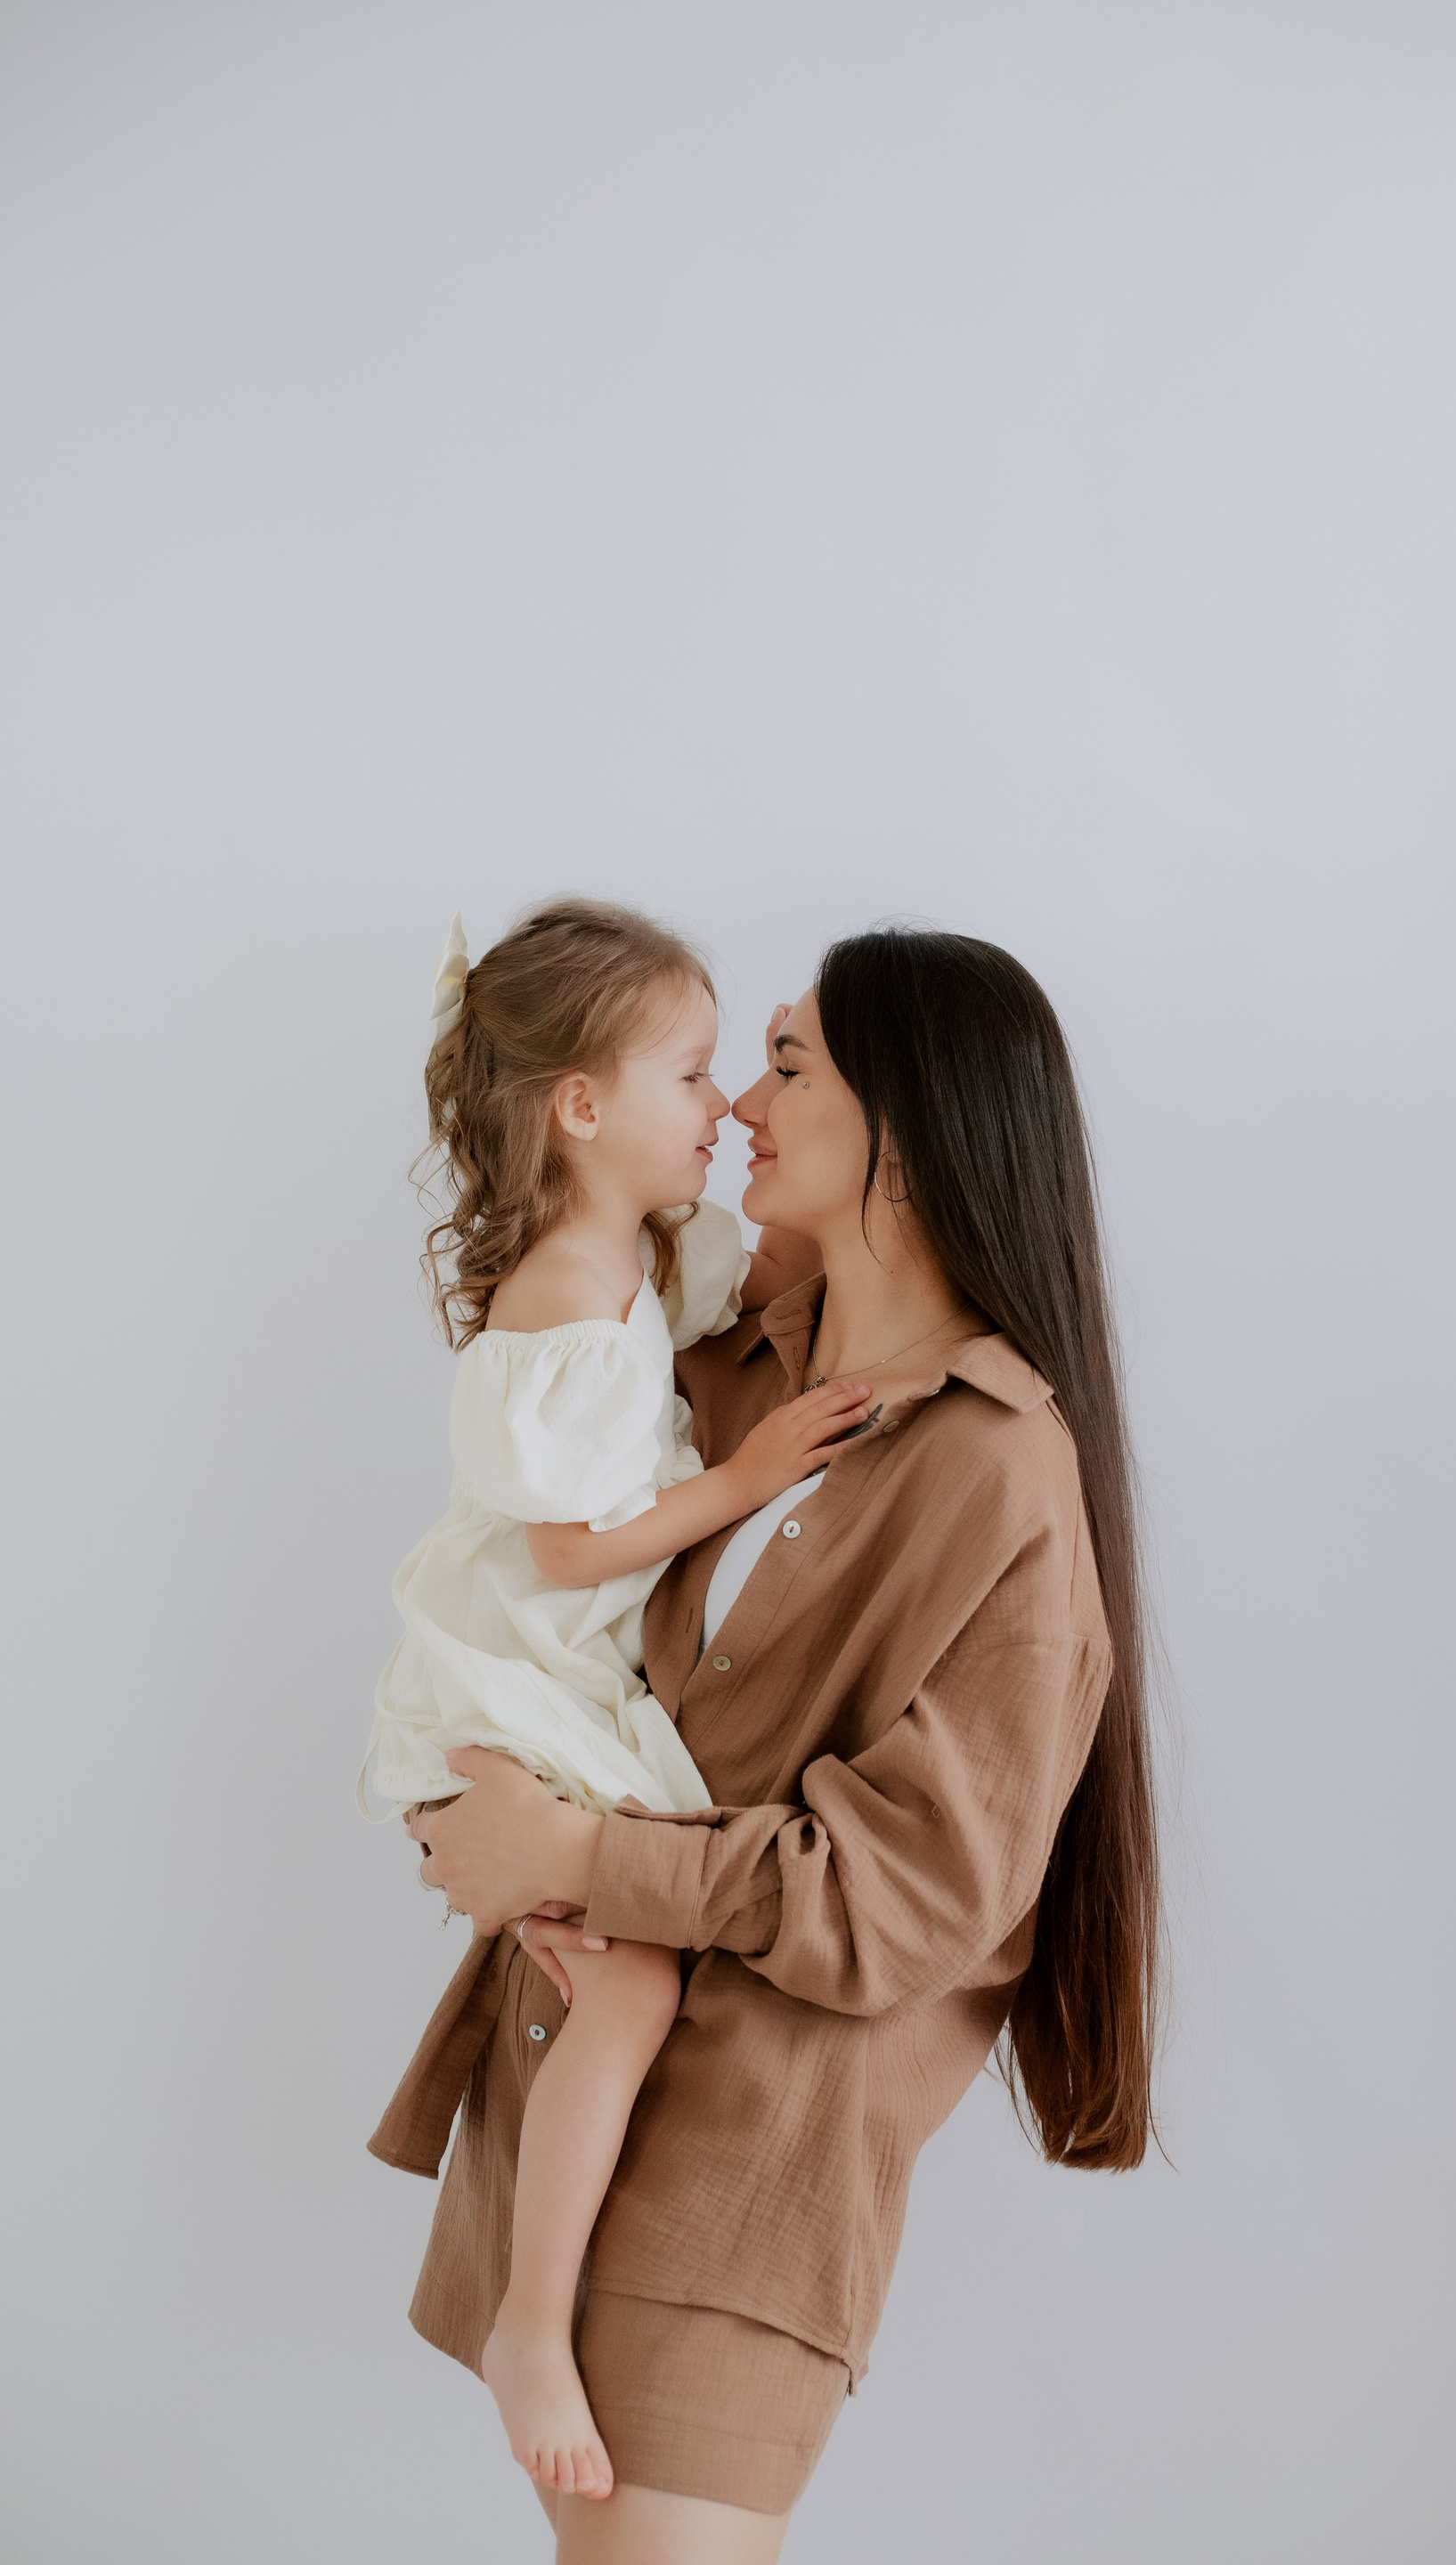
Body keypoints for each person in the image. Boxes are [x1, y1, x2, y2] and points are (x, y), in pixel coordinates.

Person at [378, 925, 1162, 2565]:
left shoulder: (1002, 1478)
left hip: (741, 2180)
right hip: (559, 2101)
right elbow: (544, 1617)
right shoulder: (713, 1361)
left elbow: (906, 1902)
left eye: (788, 1064)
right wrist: (474, 1808)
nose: (736, 1100)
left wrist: (580, 1855)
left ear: (912, 1127)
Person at [368, 897, 869, 2498]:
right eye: (696, 1074)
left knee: (629, 1988)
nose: (725, 1106)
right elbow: (571, 1548)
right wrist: (748, 1477)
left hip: (554, 1682)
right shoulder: (563, 1301)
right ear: (580, 1108)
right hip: (515, 1686)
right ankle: (534, 2320)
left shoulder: (646, 1253)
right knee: (638, 1990)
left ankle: (541, 2306)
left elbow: (762, 1275)